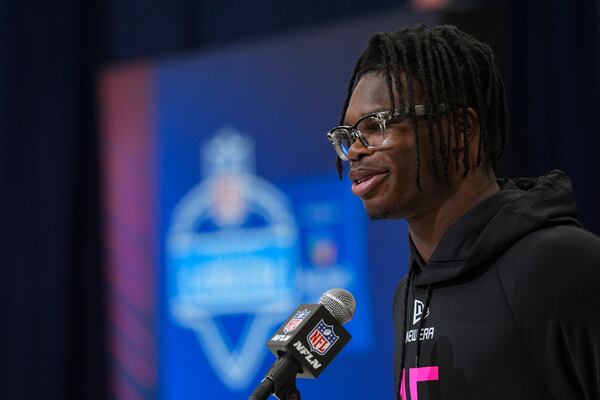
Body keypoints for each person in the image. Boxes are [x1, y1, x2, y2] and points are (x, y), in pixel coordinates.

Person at [325, 24, 600, 400]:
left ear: (460, 129)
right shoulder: (408, 294)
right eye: (348, 135)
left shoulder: (562, 264)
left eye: (377, 126)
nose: (355, 150)